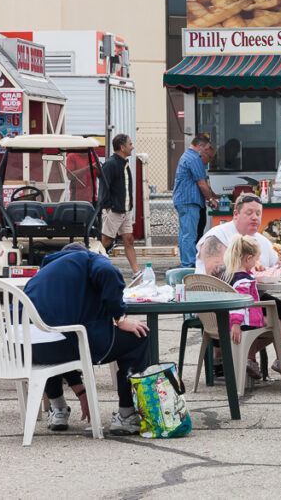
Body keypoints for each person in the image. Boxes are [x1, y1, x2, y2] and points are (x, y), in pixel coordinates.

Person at [24, 242, 150, 435]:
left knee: (54, 339)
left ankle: (58, 409)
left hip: (24, 350)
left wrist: (82, 392)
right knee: (138, 337)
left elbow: (57, 338)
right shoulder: (89, 259)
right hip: (58, 343)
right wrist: (120, 317)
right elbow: (107, 270)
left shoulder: (43, 274)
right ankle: (126, 416)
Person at [195, 193, 281, 376]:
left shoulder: (262, 241)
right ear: (236, 214)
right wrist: (247, 271)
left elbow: (274, 270)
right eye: (249, 212)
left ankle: (242, 358)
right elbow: (214, 271)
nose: (255, 217)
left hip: (249, 295)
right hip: (217, 299)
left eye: (258, 213)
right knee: (265, 314)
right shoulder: (217, 235)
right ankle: (230, 357)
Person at [221, 234, 277, 377]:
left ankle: (247, 358)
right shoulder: (243, 280)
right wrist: (236, 324)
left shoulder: (227, 275)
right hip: (243, 320)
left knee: (268, 324)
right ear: (248, 258)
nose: (256, 263)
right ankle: (254, 359)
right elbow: (238, 302)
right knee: (277, 325)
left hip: (225, 319)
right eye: (256, 260)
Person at [173, 135, 219, 268]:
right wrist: (211, 199)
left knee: (185, 234)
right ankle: (189, 264)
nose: (207, 151)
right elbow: (202, 183)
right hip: (189, 202)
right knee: (189, 235)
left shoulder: (187, 156)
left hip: (183, 201)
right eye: (207, 148)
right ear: (199, 146)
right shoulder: (194, 159)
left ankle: (186, 263)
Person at [99, 134, 138, 274]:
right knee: (106, 241)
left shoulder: (123, 163)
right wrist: (108, 207)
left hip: (125, 210)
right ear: (122, 147)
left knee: (129, 240)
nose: (132, 147)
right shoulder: (111, 164)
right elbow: (104, 187)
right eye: (130, 144)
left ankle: (136, 272)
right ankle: (89, 266)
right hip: (115, 210)